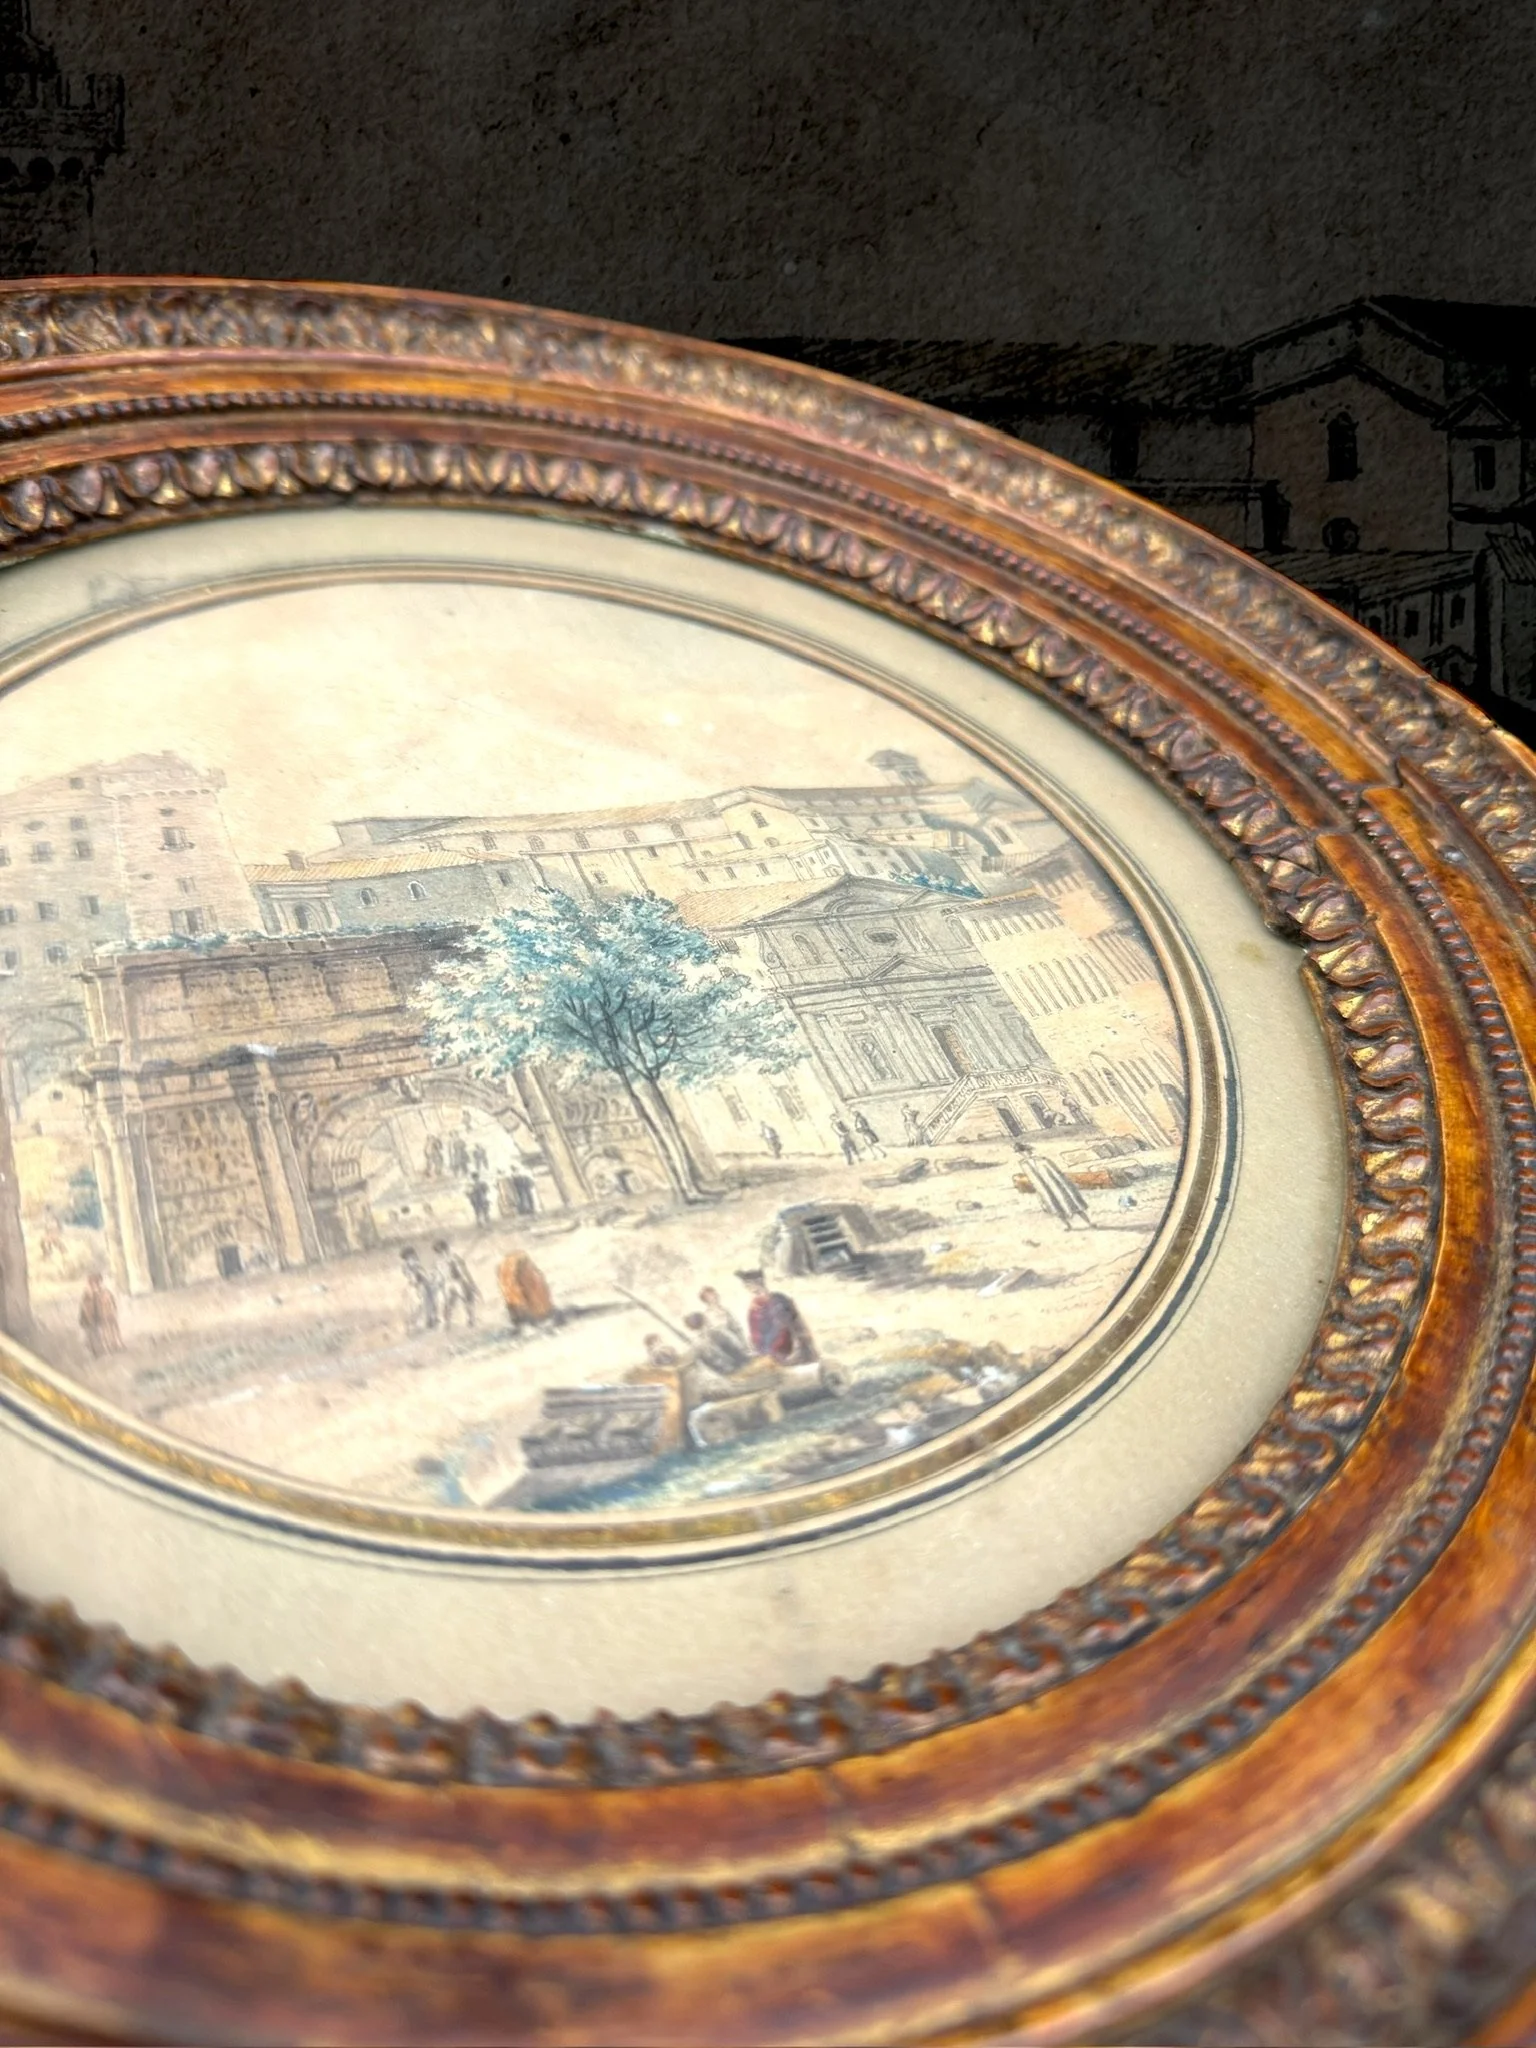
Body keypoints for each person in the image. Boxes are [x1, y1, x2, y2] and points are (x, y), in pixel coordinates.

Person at [737, 1268, 818, 1364]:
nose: (748, 1288)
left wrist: (772, 1353)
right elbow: (756, 1332)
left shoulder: (778, 1300)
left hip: (787, 1353)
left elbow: (789, 1329)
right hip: (768, 1353)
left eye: (749, 1285)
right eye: (746, 1286)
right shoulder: (755, 1306)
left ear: (759, 1283)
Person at [1012, 1141, 1090, 1229]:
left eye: (1025, 1151)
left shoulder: (1042, 1160)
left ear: (1029, 1150)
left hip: (1055, 1185)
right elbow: (1031, 1178)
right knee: (1054, 1206)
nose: (1024, 1153)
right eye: (1021, 1152)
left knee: (1070, 1203)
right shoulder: (1024, 1164)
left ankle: (1089, 1223)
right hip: (1043, 1188)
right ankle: (1068, 1226)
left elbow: (1056, 1173)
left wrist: (1064, 1184)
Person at [498, 1247, 556, 1333]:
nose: (541, 1282)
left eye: (537, 1271)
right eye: (531, 1282)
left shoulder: (570, 1314)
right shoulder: (527, 1333)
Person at [433, 1238, 480, 1328]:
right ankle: (452, 1322)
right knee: (455, 1302)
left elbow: (462, 1271)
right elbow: (462, 1271)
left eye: (441, 1251)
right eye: (440, 1252)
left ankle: (466, 1320)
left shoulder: (448, 1259)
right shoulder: (447, 1260)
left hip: (452, 1282)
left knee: (457, 1301)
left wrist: (470, 1282)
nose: (441, 1253)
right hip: (452, 1283)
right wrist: (471, 1283)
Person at [699, 1284, 749, 1363]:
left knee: (737, 1328)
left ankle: (745, 1349)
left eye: (713, 1294)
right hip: (722, 1339)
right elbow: (717, 1329)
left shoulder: (724, 1309)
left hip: (731, 1334)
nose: (714, 1297)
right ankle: (742, 1352)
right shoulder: (708, 1313)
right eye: (709, 1296)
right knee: (726, 1332)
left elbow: (735, 1324)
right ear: (706, 1300)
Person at [78, 1270, 121, 1357]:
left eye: (97, 1282)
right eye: (94, 1282)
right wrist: (88, 1316)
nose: (96, 1285)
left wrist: (112, 1309)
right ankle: (93, 1349)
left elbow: (111, 1301)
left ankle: (110, 1345)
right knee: (91, 1333)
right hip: (91, 1317)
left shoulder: (103, 1292)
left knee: (102, 1331)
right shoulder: (88, 1293)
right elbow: (85, 1306)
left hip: (100, 1315)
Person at [400, 1246, 438, 1330]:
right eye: (411, 1255)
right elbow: (413, 1276)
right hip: (416, 1284)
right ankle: (427, 1319)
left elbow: (422, 1273)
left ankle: (431, 1318)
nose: (413, 1256)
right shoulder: (408, 1264)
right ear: (407, 1256)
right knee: (423, 1302)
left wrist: (427, 1277)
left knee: (430, 1298)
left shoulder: (414, 1263)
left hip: (420, 1283)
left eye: (412, 1255)